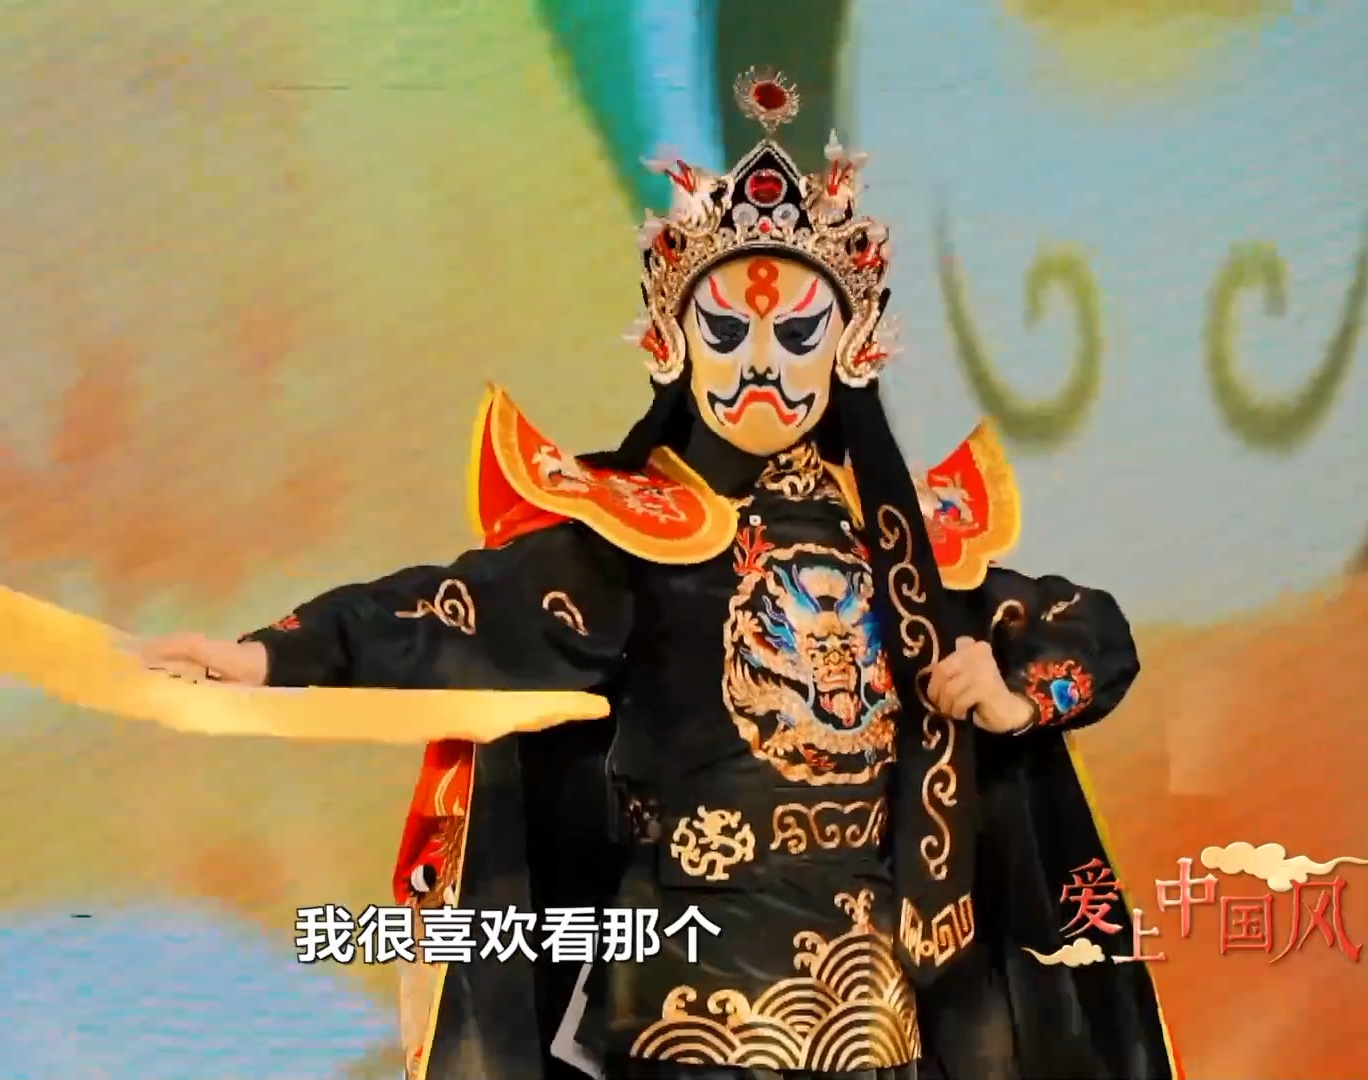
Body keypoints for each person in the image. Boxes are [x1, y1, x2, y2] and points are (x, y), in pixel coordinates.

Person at [143, 70, 1176, 1080]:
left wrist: (1014, 690)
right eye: (726, 332)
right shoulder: (638, 540)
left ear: (851, 348)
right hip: (685, 1020)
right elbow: (451, 611)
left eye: (797, 334)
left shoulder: (904, 557)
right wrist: (268, 654)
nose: (760, 363)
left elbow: (1087, 628)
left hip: (876, 1022)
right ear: (673, 345)